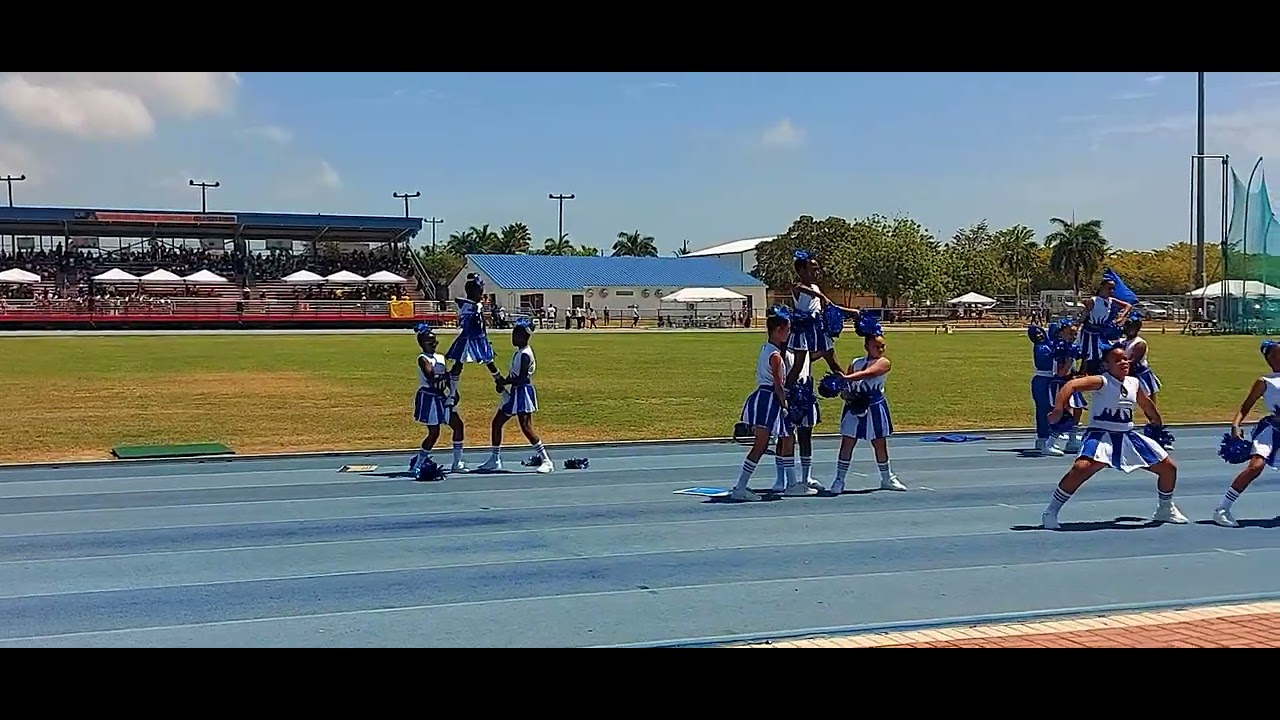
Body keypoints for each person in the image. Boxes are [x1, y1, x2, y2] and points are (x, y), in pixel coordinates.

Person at [1042, 344, 1186, 530]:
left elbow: (1147, 405)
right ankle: (1051, 512)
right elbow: (1070, 385)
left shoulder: (1134, 383)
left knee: (1168, 468)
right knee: (1081, 468)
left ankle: (1165, 508)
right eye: (1117, 360)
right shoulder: (1101, 381)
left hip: (1127, 436)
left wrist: (1157, 424)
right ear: (1106, 365)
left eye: (1125, 359)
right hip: (1101, 435)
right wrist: (1059, 409)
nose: (1123, 363)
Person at [732, 310, 803, 501]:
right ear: (779, 330)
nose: (789, 334)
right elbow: (779, 385)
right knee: (761, 445)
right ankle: (741, 486)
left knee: (787, 438)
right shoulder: (776, 356)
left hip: (762, 397)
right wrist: (785, 406)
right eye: (787, 330)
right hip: (770, 399)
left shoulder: (766, 349)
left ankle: (792, 483)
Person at [829, 320, 906, 495]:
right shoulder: (856, 362)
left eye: (882, 346)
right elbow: (846, 385)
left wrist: (847, 379)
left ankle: (887, 477)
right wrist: (844, 392)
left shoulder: (884, 362)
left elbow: (870, 373)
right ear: (867, 346)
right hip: (854, 406)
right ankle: (839, 479)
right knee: (847, 442)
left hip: (874, 406)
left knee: (879, 443)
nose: (880, 350)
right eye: (876, 346)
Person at [1213, 340, 1280, 527]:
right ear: (1270, 358)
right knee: (1255, 467)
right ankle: (1223, 509)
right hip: (1271, 430)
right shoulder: (1265, 382)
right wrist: (1235, 425)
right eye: (1276, 354)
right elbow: (1245, 406)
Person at [476, 318, 554, 474]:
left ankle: (546, 460)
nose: (512, 337)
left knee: (526, 427)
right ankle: (495, 458)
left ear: (524, 336)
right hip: (514, 392)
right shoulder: (518, 352)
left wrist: (504, 381)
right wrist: (504, 383)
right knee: (497, 422)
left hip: (523, 392)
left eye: (515, 334)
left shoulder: (525, 354)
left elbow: (522, 378)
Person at [786, 250, 858, 386]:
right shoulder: (796, 287)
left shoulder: (815, 287)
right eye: (812, 270)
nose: (816, 273)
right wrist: (820, 296)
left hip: (819, 330)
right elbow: (802, 288)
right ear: (801, 271)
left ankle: (847, 389)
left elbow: (831, 306)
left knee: (833, 363)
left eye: (817, 270)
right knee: (798, 367)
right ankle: (786, 392)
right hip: (803, 331)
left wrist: (852, 312)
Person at [774, 342, 825, 494]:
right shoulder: (782, 349)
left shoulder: (805, 348)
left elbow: (817, 353)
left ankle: (806, 477)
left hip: (805, 393)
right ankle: (780, 479)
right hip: (788, 395)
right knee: (784, 437)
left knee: (805, 436)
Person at [445, 273, 504, 394]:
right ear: (471, 292)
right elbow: (464, 321)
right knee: (459, 362)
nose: (481, 294)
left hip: (479, 337)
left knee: (488, 358)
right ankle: (452, 384)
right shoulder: (467, 306)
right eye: (479, 291)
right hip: (469, 337)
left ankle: (498, 379)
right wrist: (474, 317)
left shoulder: (477, 305)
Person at [409, 324, 451, 481]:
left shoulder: (440, 357)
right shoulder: (423, 359)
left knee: (455, 424)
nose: (434, 344)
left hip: (440, 396)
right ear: (422, 343)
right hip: (429, 397)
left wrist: (453, 391)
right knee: (434, 432)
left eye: (435, 341)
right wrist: (450, 375)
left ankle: (457, 460)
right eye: (430, 342)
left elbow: (444, 378)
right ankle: (419, 463)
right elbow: (432, 377)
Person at [1046, 320, 1087, 454]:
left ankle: (1072, 439)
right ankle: (1050, 443)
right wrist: (1070, 359)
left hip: (1070, 382)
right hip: (1061, 383)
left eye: (1075, 334)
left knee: (1078, 409)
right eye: (1071, 333)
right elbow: (1061, 371)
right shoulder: (1061, 347)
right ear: (1061, 332)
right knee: (1063, 413)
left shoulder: (1070, 347)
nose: (1073, 336)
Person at [1076, 278, 1132, 375]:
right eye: (1109, 288)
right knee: (1087, 354)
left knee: (1101, 353)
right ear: (1101, 287)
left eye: (1113, 289)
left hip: (1101, 331)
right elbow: (1084, 315)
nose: (1111, 291)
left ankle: (1098, 373)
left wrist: (1122, 316)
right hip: (1089, 331)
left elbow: (1128, 305)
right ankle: (1083, 373)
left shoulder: (1111, 300)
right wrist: (1076, 325)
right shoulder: (1093, 300)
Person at [1027, 324, 1057, 455]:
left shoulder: (1049, 343)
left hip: (1050, 380)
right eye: (1035, 334)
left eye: (1040, 332)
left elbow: (1055, 327)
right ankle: (1043, 439)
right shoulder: (1041, 348)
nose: (1039, 335)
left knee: (1051, 409)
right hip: (1043, 381)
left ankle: (1046, 438)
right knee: (1043, 410)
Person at [1121, 313, 1161, 401]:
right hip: (1125, 373)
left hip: (1140, 374)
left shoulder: (1139, 343)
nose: (1129, 329)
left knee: (1147, 401)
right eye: (1128, 327)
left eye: (1132, 327)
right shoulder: (1121, 341)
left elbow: (1133, 361)